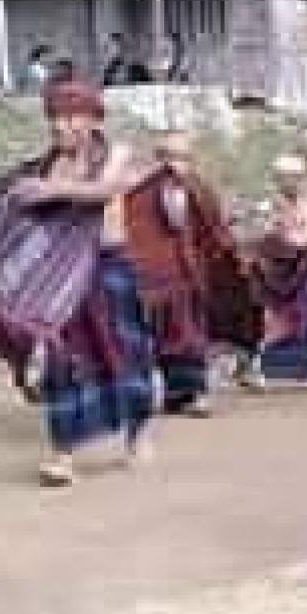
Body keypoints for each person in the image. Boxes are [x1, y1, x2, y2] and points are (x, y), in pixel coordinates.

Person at [0, 76, 154, 487]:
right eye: (54, 117)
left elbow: (106, 190)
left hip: (108, 270)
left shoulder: (115, 154)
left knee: (125, 353)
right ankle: (63, 454)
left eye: (71, 117)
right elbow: (8, 200)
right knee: (64, 360)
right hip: (61, 284)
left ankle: (137, 433)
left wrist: (51, 190)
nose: (60, 126)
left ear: (93, 120)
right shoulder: (41, 167)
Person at [123, 131, 236, 416]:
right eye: (168, 156)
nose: (175, 163)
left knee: (189, 334)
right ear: (158, 158)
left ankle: (196, 393)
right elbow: (134, 227)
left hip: (190, 272)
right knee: (166, 336)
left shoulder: (198, 188)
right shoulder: (143, 191)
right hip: (159, 276)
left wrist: (219, 254)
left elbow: (213, 226)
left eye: (182, 156)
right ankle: (175, 396)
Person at [248, 153, 307, 388]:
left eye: (294, 178)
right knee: (277, 320)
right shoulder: (271, 205)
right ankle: (273, 371)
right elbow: (263, 235)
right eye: (283, 178)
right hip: (282, 271)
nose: (289, 183)